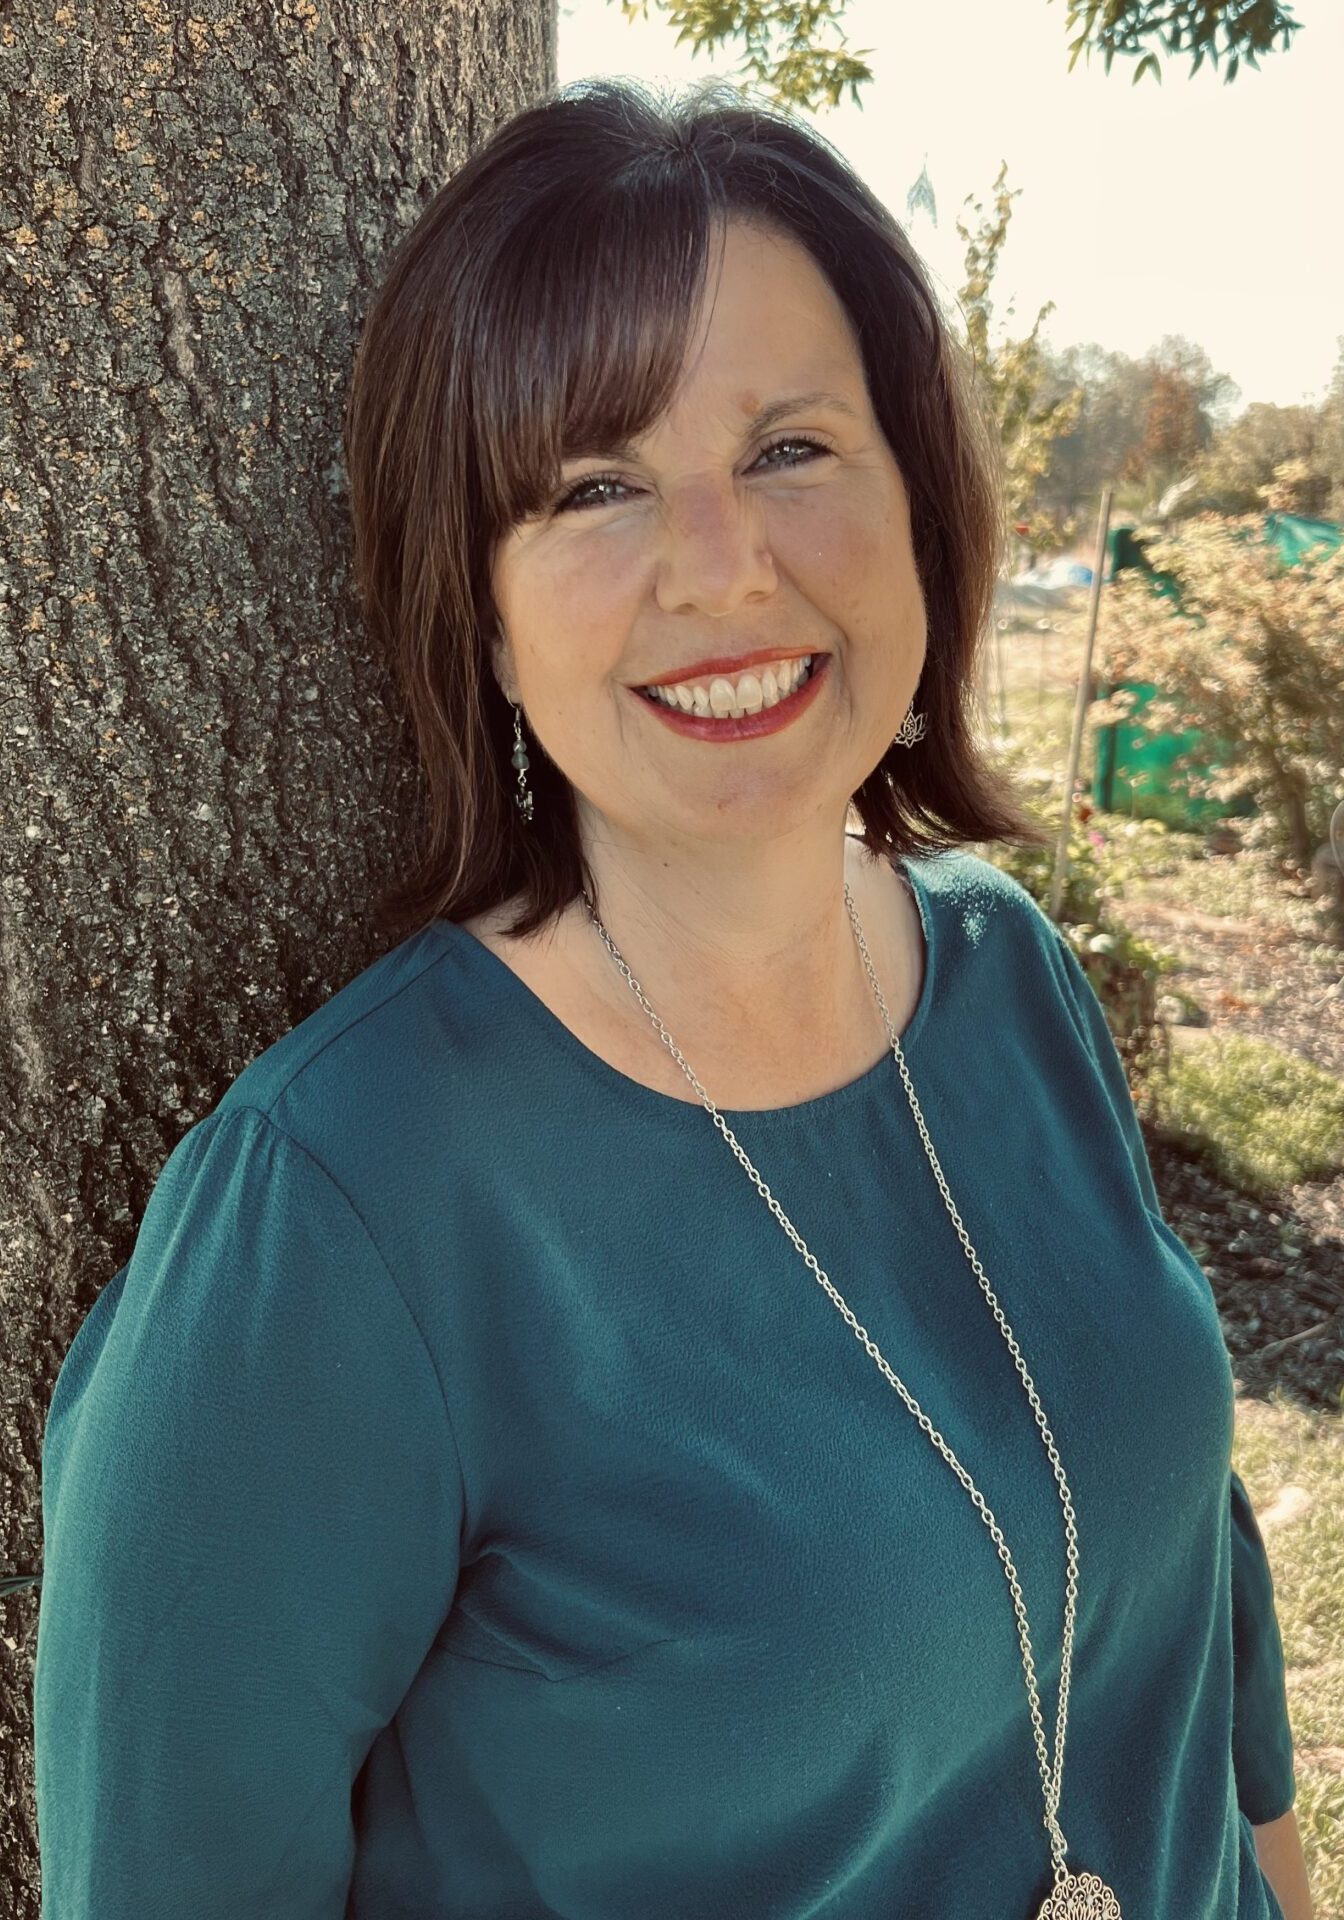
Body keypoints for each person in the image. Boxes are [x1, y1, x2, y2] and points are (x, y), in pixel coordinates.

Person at [32, 76, 1306, 1920]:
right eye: (597, 487)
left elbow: (1194, 1572)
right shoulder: (331, 1219)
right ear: (479, 611)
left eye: (791, 447)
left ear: (918, 498)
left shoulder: (1012, 979)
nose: (723, 565)